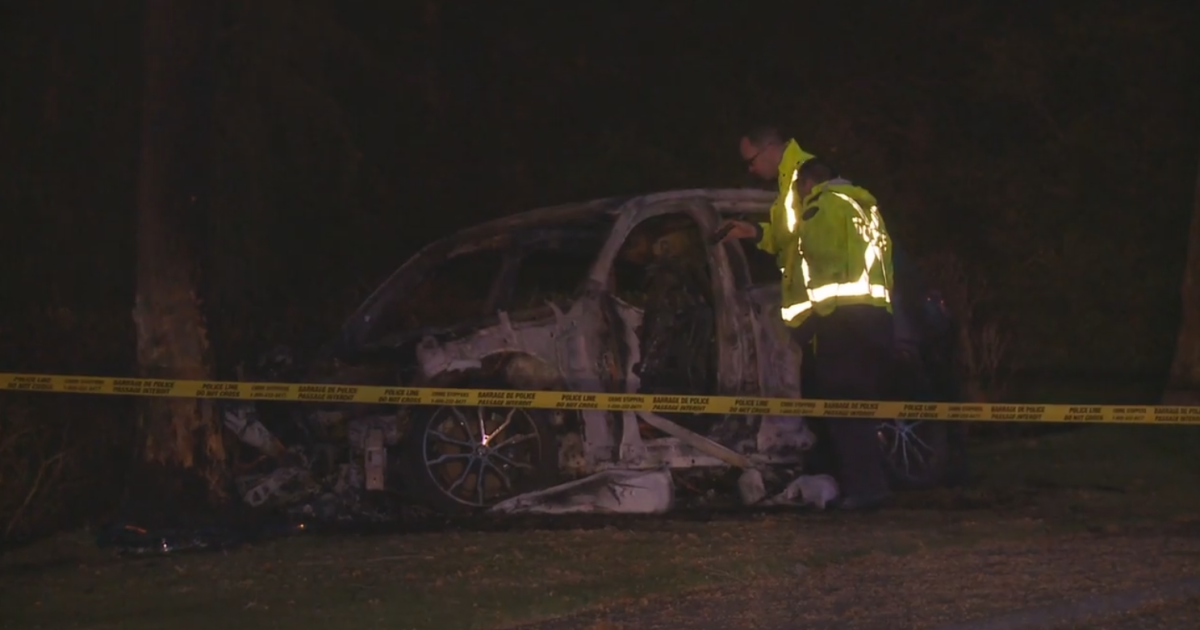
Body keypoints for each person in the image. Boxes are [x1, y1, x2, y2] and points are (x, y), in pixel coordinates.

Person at [718, 126, 895, 510]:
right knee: (842, 408)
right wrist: (756, 232)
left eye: (750, 161)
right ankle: (847, 483)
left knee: (844, 407)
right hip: (866, 318)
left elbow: (814, 258)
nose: (750, 171)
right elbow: (797, 242)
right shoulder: (857, 202)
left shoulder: (819, 200)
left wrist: (813, 317)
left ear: (769, 150)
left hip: (841, 321)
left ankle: (865, 489)